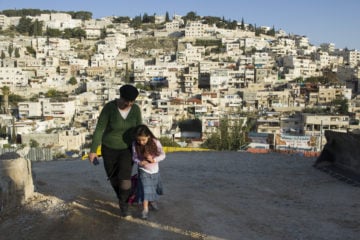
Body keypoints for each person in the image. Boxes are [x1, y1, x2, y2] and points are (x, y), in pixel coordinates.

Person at [88, 84, 142, 218]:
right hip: (109, 148)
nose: (128, 104)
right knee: (113, 179)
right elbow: (99, 129)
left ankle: (124, 205)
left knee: (125, 179)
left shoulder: (135, 110)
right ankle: (124, 198)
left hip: (127, 149)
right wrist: (93, 149)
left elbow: (139, 130)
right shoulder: (109, 108)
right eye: (126, 100)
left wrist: (143, 149)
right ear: (120, 97)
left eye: (131, 101)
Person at [132, 124, 165, 219]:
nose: (141, 142)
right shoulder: (135, 144)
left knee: (153, 189)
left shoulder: (155, 142)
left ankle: (153, 201)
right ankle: (145, 209)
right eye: (139, 140)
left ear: (148, 136)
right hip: (143, 170)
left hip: (155, 170)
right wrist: (139, 162)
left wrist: (154, 160)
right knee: (146, 190)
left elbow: (163, 155)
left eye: (143, 140)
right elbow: (134, 157)